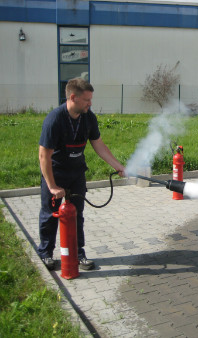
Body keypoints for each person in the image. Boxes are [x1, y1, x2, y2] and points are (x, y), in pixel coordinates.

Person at [38, 78, 126, 271]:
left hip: (77, 174)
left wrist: (118, 165)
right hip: (55, 174)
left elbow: (99, 144)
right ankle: (45, 253)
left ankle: (78, 254)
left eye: (91, 99)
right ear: (73, 97)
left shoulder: (89, 117)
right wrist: (52, 186)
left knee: (77, 215)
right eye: (87, 100)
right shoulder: (55, 119)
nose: (90, 103)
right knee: (49, 216)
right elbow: (44, 155)